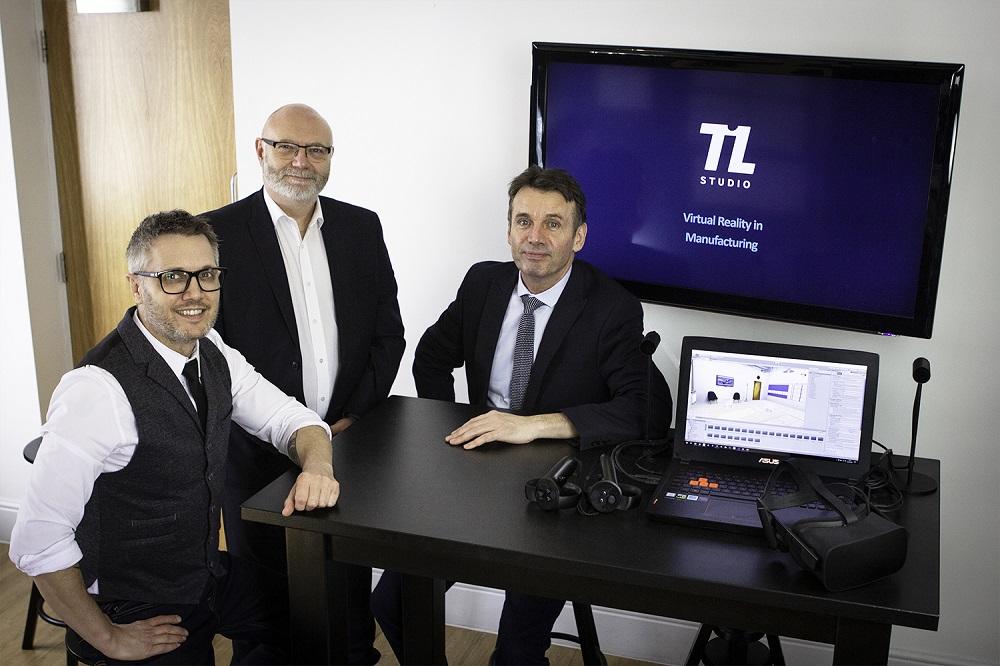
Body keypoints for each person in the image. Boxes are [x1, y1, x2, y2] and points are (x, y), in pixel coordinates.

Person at [370, 166, 672, 665]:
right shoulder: (483, 283)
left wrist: (533, 426)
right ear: (508, 230)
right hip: (476, 474)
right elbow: (431, 355)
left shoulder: (611, 308)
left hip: (557, 488)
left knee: (516, 649)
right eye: (523, 221)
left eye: (553, 224)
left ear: (579, 236)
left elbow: (643, 411)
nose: (535, 237)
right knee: (393, 603)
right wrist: (454, 423)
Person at [9, 210, 340, 664]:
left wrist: (318, 467)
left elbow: (291, 419)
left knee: (319, 619)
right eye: (172, 277)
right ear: (136, 284)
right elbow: (37, 542)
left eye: (206, 275)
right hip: (131, 601)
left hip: (199, 572)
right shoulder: (96, 389)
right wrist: (110, 637)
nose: (195, 293)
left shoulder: (213, 351)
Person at [202, 103, 404, 664]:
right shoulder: (214, 234)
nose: (301, 161)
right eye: (287, 146)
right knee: (263, 622)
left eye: (316, 150)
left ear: (330, 159)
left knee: (346, 611)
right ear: (260, 150)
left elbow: (389, 335)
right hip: (253, 454)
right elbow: (204, 350)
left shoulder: (361, 227)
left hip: (343, 448)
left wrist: (353, 418)